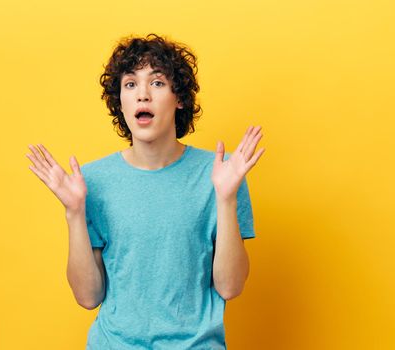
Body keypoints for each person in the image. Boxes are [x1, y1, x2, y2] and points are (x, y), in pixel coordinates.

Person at [26, 33, 265, 349]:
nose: (142, 95)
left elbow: (231, 287)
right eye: (130, 84)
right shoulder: (92, 181)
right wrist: (74, 212)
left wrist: (225, 198)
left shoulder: (222, 173)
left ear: (178, 98)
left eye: (157, 83)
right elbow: (87, 297)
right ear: (120, 103)